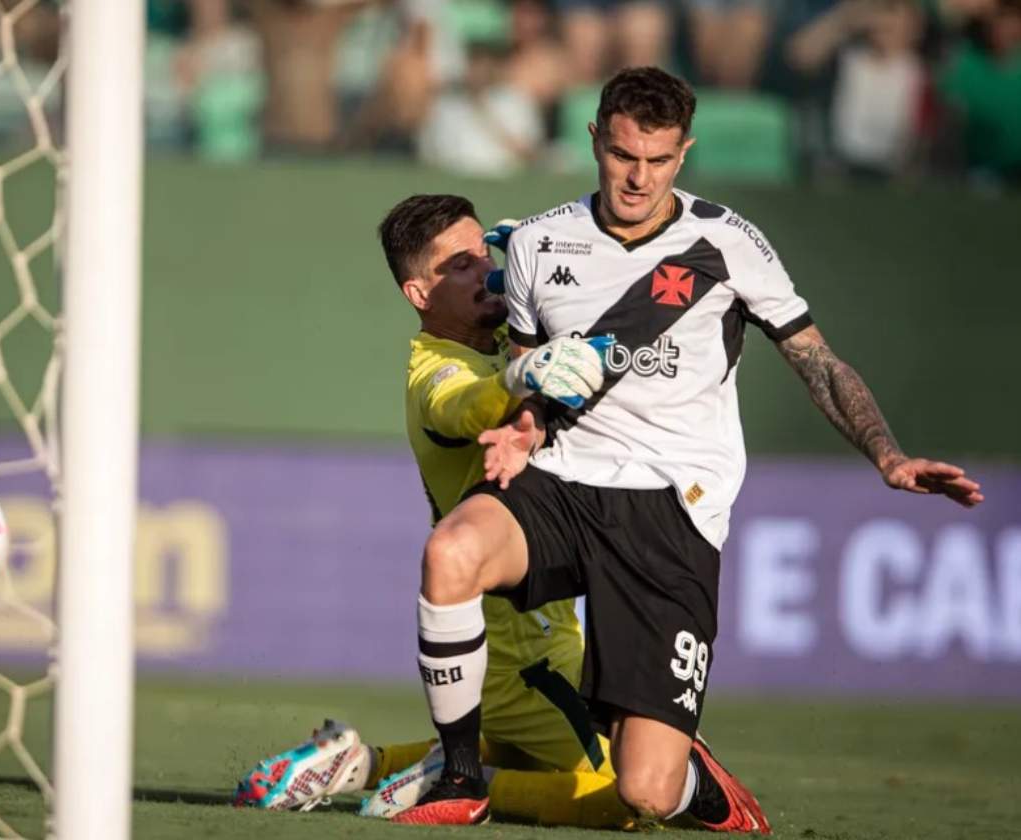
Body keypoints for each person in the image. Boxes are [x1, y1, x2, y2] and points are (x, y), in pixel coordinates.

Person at [396, 66, 984, 830]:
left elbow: (817, 360)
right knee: (450, 554)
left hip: (672, 510)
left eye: (659, 160)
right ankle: (461, 780)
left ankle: (705, 793)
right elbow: (544, 374)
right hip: (565, 483)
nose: (638, 178)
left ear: (685, 153)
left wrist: (887, 455)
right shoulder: (541, 243)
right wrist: (524, 426)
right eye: (622, 155)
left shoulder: (727, 243)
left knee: (644, 790)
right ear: (595, 141)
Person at [233, 194, 761, 830]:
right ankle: (457, 779)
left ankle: (363, 764)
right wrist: (521, 378)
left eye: (483, 251)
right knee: (631, 800)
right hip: (515, 660)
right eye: (457, 266)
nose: (484, 270)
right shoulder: (434, 369)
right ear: (417, 293)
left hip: (558, 641)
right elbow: (465, 406)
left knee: (618, 762)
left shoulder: (519, 335)